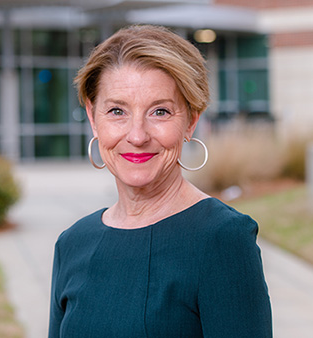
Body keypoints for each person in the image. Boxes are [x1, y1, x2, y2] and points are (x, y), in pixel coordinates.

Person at [48, 25, 272, 338]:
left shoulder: (222, 240)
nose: (137, 135)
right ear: (92, 117)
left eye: (160, 111)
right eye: (117, 111)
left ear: (191, 120)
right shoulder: (72, 243)